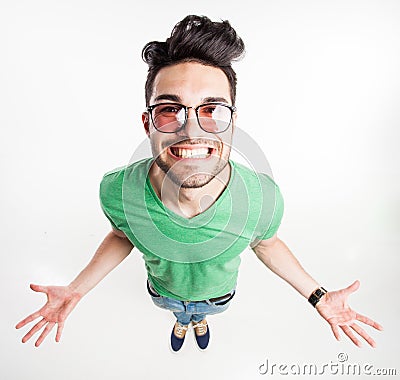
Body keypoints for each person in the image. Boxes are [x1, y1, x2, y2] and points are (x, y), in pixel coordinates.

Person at [15, 15, 383, 352]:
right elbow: (121, 234)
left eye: (212, 109)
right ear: (148, 124)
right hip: (163, 293)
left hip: (220, 296)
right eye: (169, 109)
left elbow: (267, 244)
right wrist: (77, 289)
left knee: (203, 312)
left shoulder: (262, 197)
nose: (191, 130)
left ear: (232, 123)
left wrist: (318, 296)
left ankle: (200, 318)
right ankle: (181, 321)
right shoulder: (116, 191)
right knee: (178, 311)